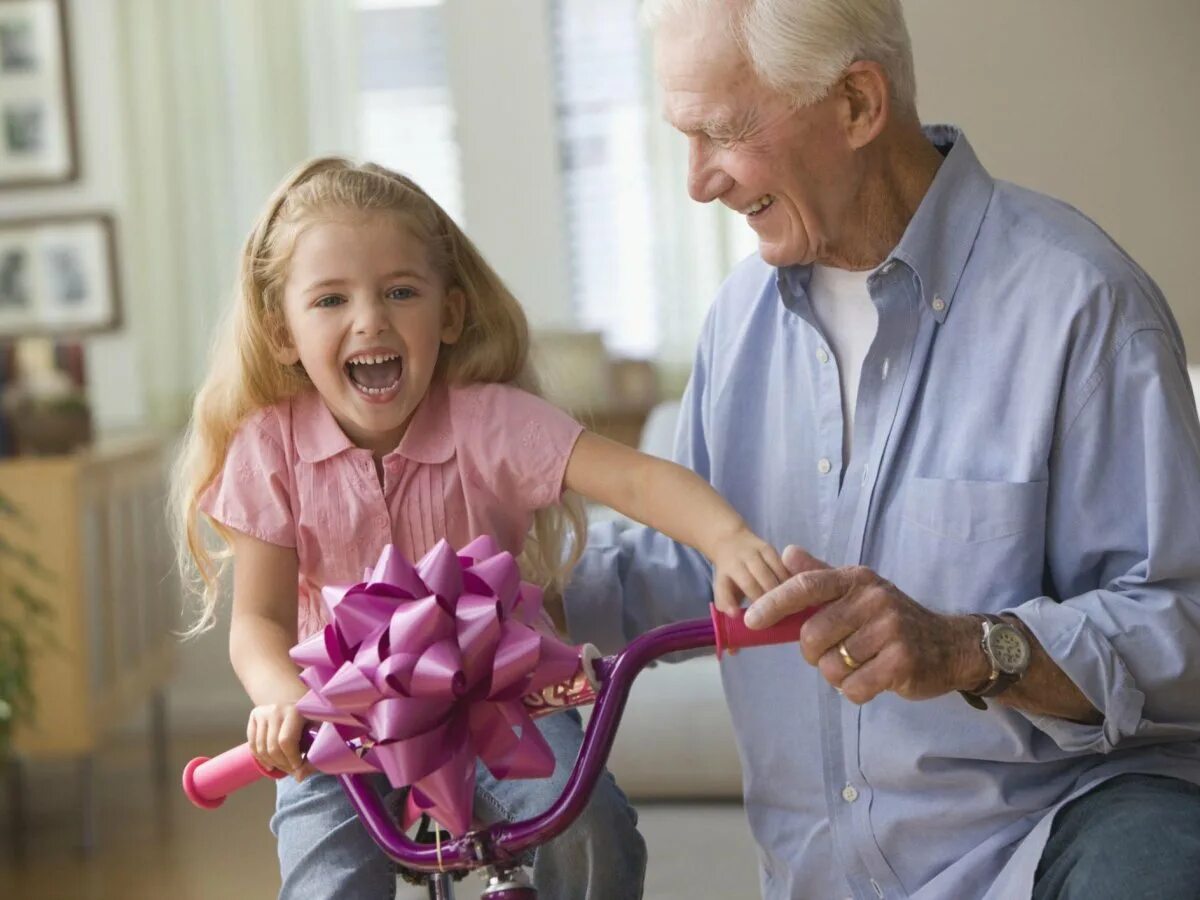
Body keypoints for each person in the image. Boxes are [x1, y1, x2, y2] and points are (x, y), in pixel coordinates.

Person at [564, 1, 1200, 898]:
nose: (697, 182)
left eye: (721, 132)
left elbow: (1183, 622)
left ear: (857, 105)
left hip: (1049, 855)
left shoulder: (1081, 305)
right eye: (684, 136)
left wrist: (970, 648)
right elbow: (696, 558)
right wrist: (506, 600)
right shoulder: (740, 320)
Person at [171, 156, 790, 899]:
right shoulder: (271, 448)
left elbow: (636, 478)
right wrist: (280, 701)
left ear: (452, 314)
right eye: (331, 300)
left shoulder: (489, 422)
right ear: (282, 333)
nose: (370, 318)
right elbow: (259, 621)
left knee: (593, 826)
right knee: (326, 881)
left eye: (401, 291)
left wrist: (726, 537)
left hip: (501, 705)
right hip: (339, 724)